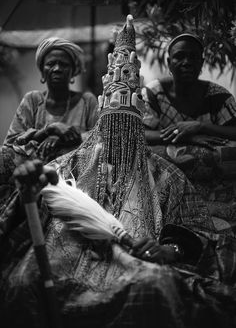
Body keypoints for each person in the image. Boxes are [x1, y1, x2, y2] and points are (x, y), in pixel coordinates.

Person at [0, 16, 236, 328]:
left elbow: (200, 231)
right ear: (99, 125)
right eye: (111, 125)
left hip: (136, 263)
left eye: (126, 126)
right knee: (22, 282)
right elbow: (34, 203)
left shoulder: (166, 175)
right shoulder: (68, 164)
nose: (118, 133)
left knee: (154, 287)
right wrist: (28, 187)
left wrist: (170, 249)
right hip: (67, 256)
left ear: (139, 129)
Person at [141, 34, 236, 236]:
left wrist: (199, 126)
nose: (187, 62)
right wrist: (186, 137)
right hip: (166, 175)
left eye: (193, 57)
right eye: (180, 56)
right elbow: (140, 134)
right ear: (169, 62)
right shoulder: (153, 93)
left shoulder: (217, 95)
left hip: (212, 182)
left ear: (201, 62)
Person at [3, 37, 98, 165]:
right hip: (36, 174)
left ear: (73, 71)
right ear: (42, 71)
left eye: (64, 64)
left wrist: (60, 140)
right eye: (50, 64)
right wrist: (49, 130)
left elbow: (100, 138)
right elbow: (10, 143)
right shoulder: (32, 100)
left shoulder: (87, 101)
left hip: (76, 174)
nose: (57, 68)